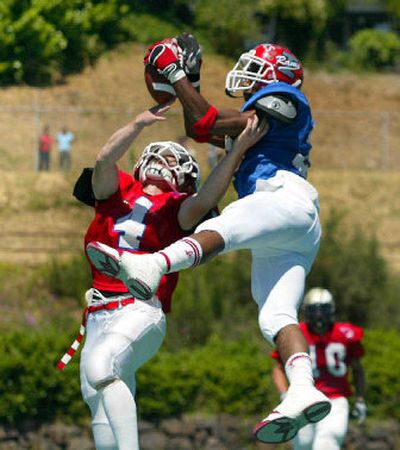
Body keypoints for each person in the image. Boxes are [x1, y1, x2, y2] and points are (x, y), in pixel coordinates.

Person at [86, 35, 331, 444]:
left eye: (257, 68)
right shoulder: (258, 128)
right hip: (290, 227)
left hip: (281, 197)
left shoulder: (286, 98)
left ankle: (154, 263)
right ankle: (303, 388)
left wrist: (177, 74)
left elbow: (208, 124)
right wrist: (189, 83)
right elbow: (198, 126)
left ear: (278, 76)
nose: (249, 76)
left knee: (228, 222)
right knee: (275, 316)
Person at [62, 102, 267, 450]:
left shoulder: (178, 209)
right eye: (158, 155)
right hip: (98, 312)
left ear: (185, 179)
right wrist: (137, 124)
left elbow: (206, 199)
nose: (163, 160)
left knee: (101, 366)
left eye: (174, 161)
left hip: (139, 308)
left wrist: (237, 153)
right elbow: (104, 160)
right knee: (96, 399)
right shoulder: (117, 194)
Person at [271, 287, 367, 450]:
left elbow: (357, 369)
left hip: (335, 400)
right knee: (303, 446)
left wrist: (360, 399)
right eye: (314, 310)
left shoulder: (344, 333)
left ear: (332, 310)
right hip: (303, 400)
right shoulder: (297, 333)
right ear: (306, 311)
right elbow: (279, 368)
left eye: (323, 310)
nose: (319, 316)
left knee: (326, 443)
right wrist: (284, 394)